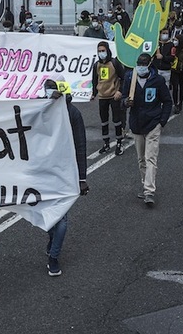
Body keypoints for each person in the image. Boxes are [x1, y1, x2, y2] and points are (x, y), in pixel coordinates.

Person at [42, 78, 89, 276]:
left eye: (52, 89)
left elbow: (80, 145)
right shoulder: (38, 109)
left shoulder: (72, 113)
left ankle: (54, 257)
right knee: (46, 215)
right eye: (47, 89)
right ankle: (53, 239)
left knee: (61, 220)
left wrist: (81, 177)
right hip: (42, 173)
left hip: (65, 174)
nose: (49, 93)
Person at [120, 53, 172, 207]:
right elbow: (123, 98)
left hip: (153, 123)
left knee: (151, 158)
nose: (141, 66)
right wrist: (125, 102)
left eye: (144, 64)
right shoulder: (130, 78)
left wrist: (162, 121)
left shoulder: (158, 80)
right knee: (141, 159)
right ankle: (145, 183)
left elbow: (167, 101)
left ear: (149, 64)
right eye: (139, 63)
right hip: (136, 124)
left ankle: (149, 191)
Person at [90, 41, 125, 155]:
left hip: (114, 96)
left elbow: (123, 78)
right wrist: (94, 93)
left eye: (103, 50)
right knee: (104, 121)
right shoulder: (96, 65)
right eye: (99, 51)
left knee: (116, 120)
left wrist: (119, 91)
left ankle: (119, 142)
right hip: (102, 96)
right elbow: (95, 80)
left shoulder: (114, 63)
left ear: (108, 50)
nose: (101, 53)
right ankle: (106, 143)